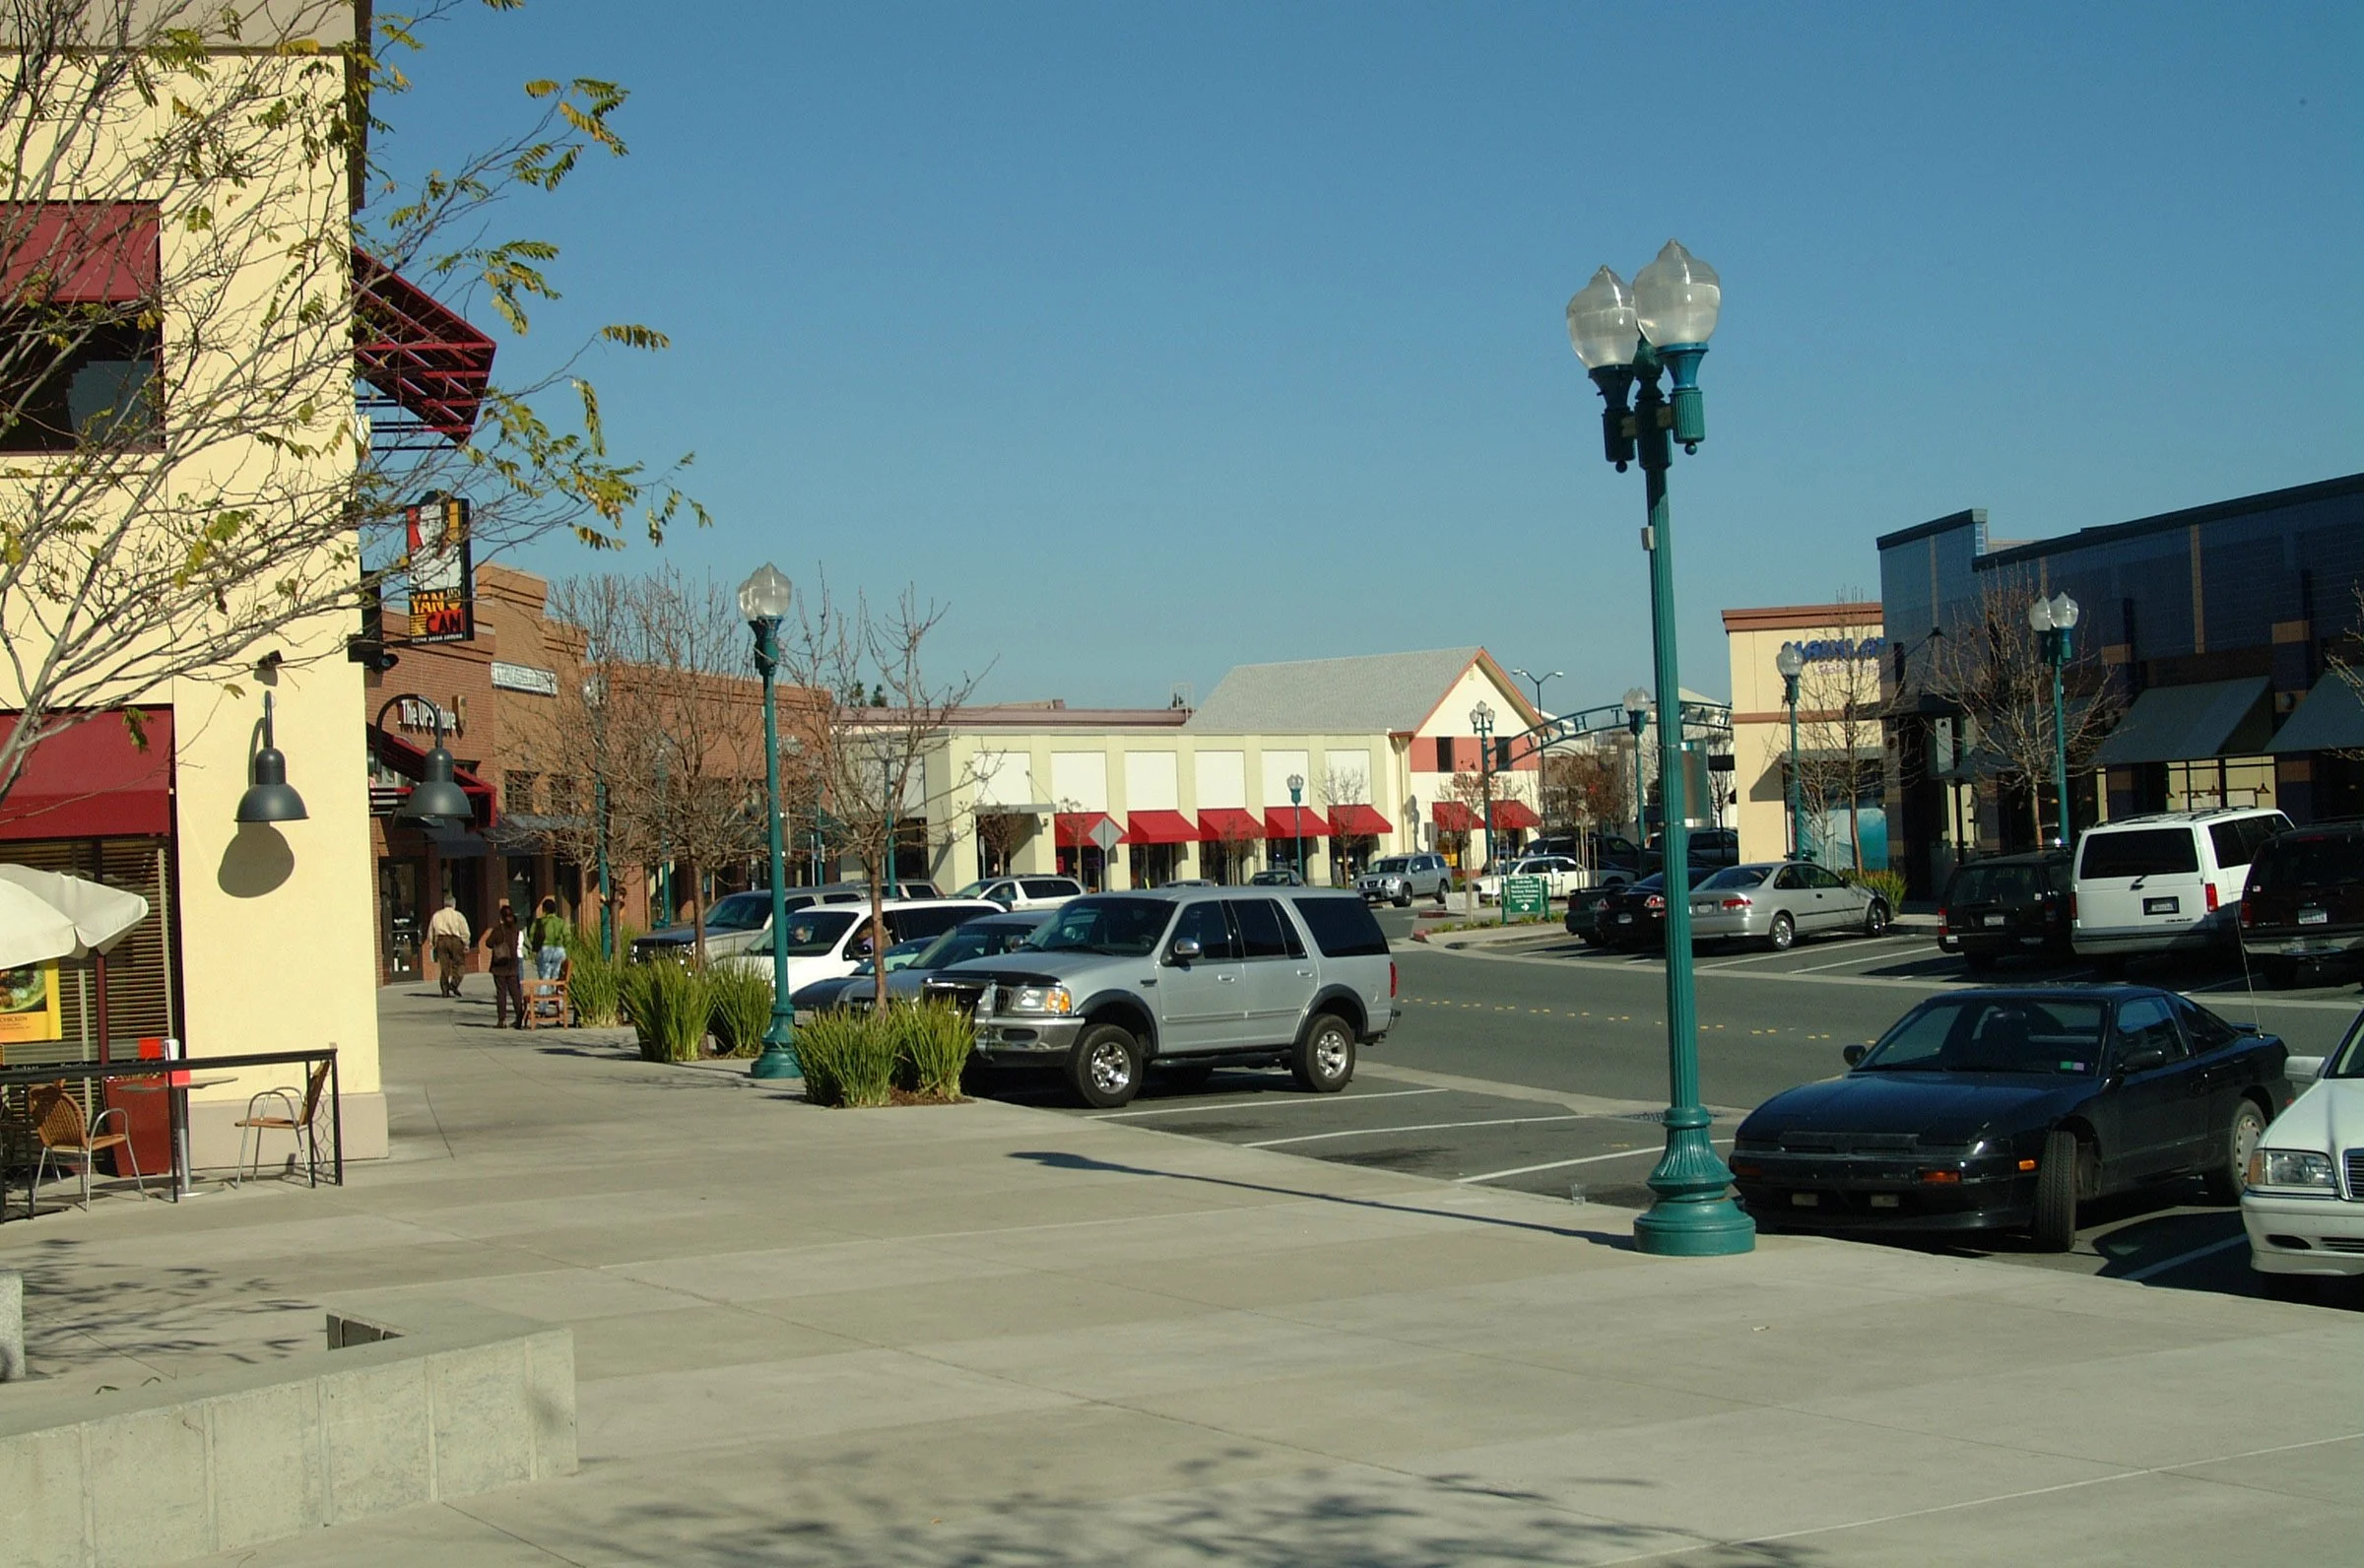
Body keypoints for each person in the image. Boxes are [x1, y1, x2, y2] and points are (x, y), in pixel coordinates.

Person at [484, 902, 524, 1029]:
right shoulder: (516, 930)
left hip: (499, 966)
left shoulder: (498, 930)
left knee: (501, 993)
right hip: (512, 965)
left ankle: (502, 1020)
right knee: (515, 993)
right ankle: (519, 1017)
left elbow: (488, 943)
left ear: (501, 917)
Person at [426, 894, 472, 997]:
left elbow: (431, 931)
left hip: (441, 941)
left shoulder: (436, 915)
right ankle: (454, 983)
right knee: (460, 964)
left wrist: (432, 943)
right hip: (455, 940)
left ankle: (445, 990)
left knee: (444, 967)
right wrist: (466, 943)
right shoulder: (458, 916)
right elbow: (465, 931)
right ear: (454, 904)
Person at [529, 895, 568, 981]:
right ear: (555, 909)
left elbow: (531, 936)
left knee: (544, 977)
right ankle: (555, 992)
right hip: (559, 949)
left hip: (544, 950)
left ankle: (544, 993)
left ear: (544, 909)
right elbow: (567, 936)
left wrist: (535, 947)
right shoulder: (560, 922)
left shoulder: (538, 922)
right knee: (556, 975)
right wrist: (564, 945)